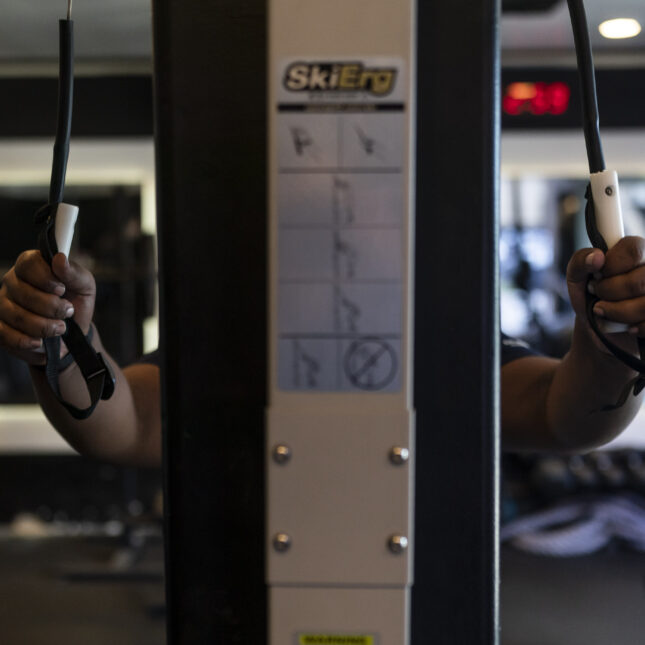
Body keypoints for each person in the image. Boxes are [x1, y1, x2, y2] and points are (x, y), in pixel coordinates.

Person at [1, 238, 645, 466]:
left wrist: (611, 338)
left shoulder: (440, 335)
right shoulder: (240, 335)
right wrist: (61, 340)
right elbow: (127, 426)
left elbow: (564, 419)